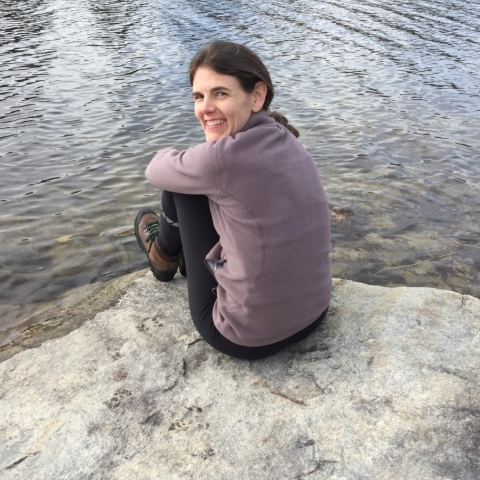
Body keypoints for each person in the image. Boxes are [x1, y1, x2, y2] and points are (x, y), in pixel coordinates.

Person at [134, 40, 332, 360]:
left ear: (257, 95)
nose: (205, 107)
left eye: (220, 93)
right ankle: (179, 256)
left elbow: (155, 169)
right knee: (197, 181)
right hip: (314, 314)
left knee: (181, 184)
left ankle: (164, 255)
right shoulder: (288, 139)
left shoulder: (221, 160)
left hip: (243, 335)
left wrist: (193, 158)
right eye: (199, 96)